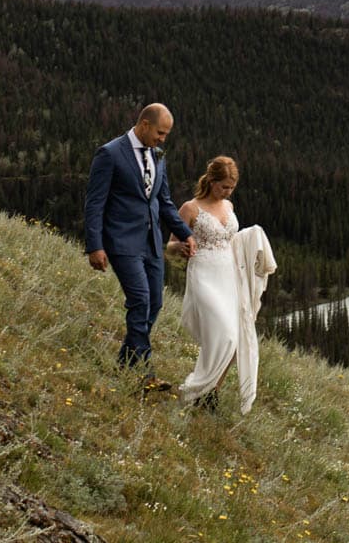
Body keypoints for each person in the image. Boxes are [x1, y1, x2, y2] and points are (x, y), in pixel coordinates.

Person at [84, 103, 194, 386]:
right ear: (144, 124)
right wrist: (95, 246)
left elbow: (163, 201)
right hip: (121, 242)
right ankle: (145, 375)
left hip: (152, 243)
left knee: (154, 302)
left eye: (166, 135)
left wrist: (185, 233)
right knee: (140, 300)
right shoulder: (109, 154)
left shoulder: (158, 155)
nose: (162, 139)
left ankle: (124, 364)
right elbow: (94, 203)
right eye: (160, 133)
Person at [174, 155, 245, 410]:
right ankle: (196, 389)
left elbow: (233, 240)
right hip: (203, 274)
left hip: (229, 275)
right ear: (211, 181)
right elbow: (169, 244)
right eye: (223, 186)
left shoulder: (229, 207)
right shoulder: (190, 208)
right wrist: (180, 246)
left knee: (234, 340)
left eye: (231, 188)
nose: (227, 192)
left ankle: (210, 392)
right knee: (223, 334)